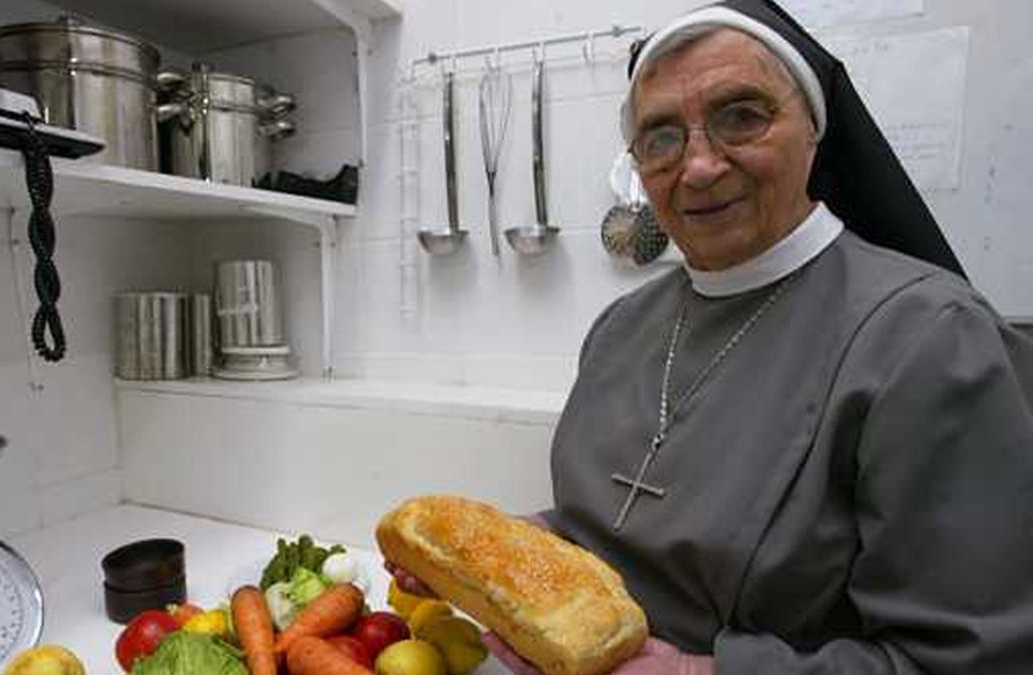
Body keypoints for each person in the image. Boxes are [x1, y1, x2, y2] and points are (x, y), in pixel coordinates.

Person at [390, 1, 1033, 673]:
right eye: (661, 136)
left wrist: (698, 672)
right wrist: (523, 548)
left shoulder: (932, 339)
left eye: (742, 116)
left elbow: (975, 658)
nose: (697, 166)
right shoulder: (620, 328)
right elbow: (614, 528)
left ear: (813, 132)